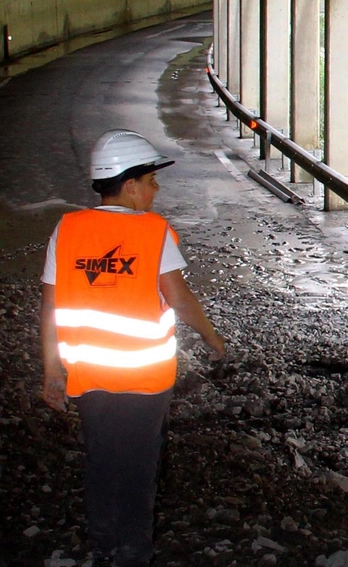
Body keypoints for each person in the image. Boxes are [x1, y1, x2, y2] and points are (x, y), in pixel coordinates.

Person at [39, 129, 226, 567]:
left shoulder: (67, 229)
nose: (156, 190)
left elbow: (49, 307)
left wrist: (51, 371)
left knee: (101, 462)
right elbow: (179, 298)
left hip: (88, 377)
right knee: (139, 470)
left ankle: (105, 546)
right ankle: (133, 553)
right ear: (129, 186)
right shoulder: (153, 232)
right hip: (144, 379)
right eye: (151, 182)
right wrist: (212, 337)